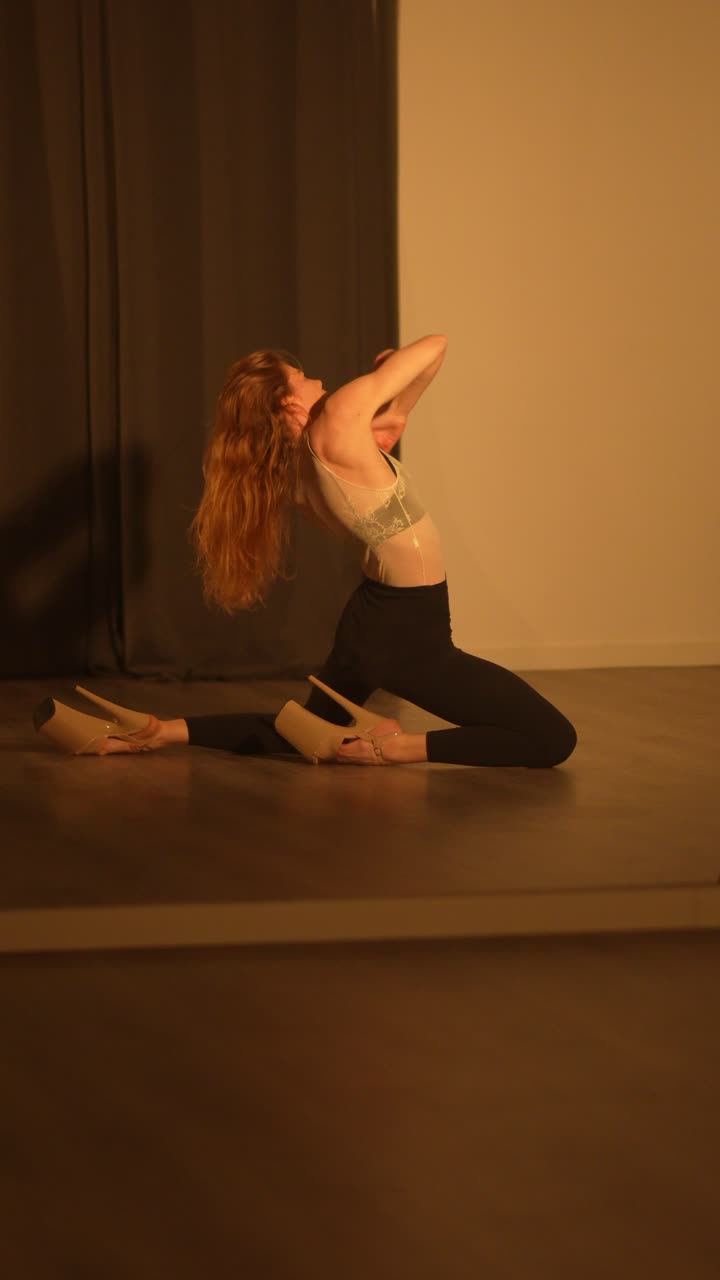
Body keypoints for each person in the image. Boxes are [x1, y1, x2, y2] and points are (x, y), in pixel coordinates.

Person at [34, 337, 577, 767]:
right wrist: (397, 397)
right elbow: (436, 344)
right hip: (409, 631)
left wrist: (397, 411)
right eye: (302, 376)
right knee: (551, 737)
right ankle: (394, 749)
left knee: (302, 731)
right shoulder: (339, 417)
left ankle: (155, 733)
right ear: (288, 401)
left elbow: (415, 376)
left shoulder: (306, 458)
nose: (318, 379)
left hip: (374, 619)